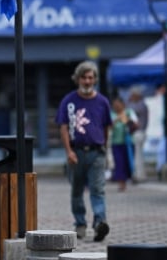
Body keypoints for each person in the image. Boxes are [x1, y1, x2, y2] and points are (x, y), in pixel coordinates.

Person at [56, 61, 112, 242]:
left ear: (95, 79)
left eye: (90, 77)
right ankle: (80, 224)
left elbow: (106, 128)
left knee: (98, 189)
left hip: (97, 152)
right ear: (77, 79)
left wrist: (106, 150)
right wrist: (68, 151)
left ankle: (99, 223)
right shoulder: (69, 100)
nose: (87, 81)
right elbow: (63, 127)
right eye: (84, 77)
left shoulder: (102, 102)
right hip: (76, 152)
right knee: (77, 190)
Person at [109, 96, 138, 191]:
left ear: (123, 104)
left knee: (128, 162)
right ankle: (121, 183)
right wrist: (117, 119)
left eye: (118, 104)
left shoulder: (129, 112)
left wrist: (125, 119)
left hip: (129, 143)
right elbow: (108, 127)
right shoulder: (111, 114)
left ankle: (129, 178)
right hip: (116, 143)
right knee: (119, 163)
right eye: (114, 105)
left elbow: (136, 125)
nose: (116, 107)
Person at [127, 87, 149, 182]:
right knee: (138, 155)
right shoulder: (142, 104)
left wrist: (129, 101)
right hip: (139, 132)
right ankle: (139, 174)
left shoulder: (140, 105)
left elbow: (129, 111)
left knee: (138, 155)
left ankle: (139, 175)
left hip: (139, 132)